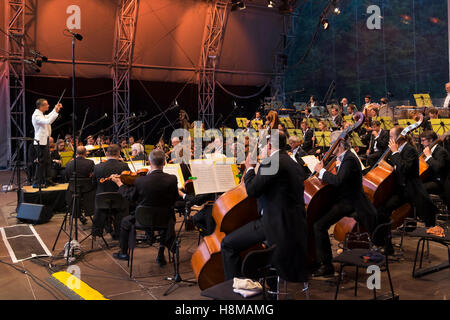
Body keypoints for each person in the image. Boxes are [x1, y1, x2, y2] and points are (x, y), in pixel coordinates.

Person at [221, 131, 309, 284]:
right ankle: (270, 281)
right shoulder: (293, 163)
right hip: (295, 225)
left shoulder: (272, 162)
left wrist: (249, 168)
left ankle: (234, 288)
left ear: (269, 145)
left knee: (227, 244)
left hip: (274, 224)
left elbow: (252, 190)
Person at [313, 139, 378, 277]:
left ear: (339, 145)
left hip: (351, 202)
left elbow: (338, 181)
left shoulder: (349, 159)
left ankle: (326, 265)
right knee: (318, 219)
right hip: (345, 199)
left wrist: (322, 171)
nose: (330, 146)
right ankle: (318, 258)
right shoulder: (345, 157)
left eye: (332, 143)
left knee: (319, 226)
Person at [111, 150, 179, 266]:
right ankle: (161, 253)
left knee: (125, 222)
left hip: (143, 220)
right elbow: (174, 200)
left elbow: (131, 197)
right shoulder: (172, 179)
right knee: (164, 219)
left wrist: (120, 184)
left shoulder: (140, 181)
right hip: (165, 220)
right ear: (164, 163)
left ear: (149, 162)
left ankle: (123, 252)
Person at [377, 126, 438, 233]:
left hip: (410, 189)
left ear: (399, 138)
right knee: (381, 206)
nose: (389, 139)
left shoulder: (410, 150)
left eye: (391, 136)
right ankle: (384, 234)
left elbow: (404, 168)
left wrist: (395, 153)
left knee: (386, 208)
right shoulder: (396, 150)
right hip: (399, 187)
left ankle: (384, 237)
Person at [92, 144, 130, 238]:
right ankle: (120, 231)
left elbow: (93, 184)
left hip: (102, 202)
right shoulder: (124, 166)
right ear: (119, 153)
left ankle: (104, 228)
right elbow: (128, 184)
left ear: (106, 153)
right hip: (119, 202)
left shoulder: (97, 167)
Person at [31, 98, 62, 188]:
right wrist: (55, 112)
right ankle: (37, 182)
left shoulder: (41, 114)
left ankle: (48, 180)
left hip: (45, 141)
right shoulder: (36, 115)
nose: (48, 105)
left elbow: (48, 117)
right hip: (40, 143)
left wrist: (55, 110)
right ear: (41, 106)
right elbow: (48, 121)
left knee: (48, 162)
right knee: (41, 163)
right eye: (47, 104)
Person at [65, 146, 96, 221]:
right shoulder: (90, 162)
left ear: (76, 153)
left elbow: (67, 178)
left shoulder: (69, 163)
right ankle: (91, 212)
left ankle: (76, 213)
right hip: (88, 189)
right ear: (85, 153)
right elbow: (93, 176)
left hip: (73, 189)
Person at [420, 130, 450, 207]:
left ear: (431, 140)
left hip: (440, 182)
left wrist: (429, 157)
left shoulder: (441, 151)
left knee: (419, 188)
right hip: (431, 179)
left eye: (423, 140)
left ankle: (430, 210)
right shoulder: (426, 151)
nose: (421, 143)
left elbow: (438, 168)